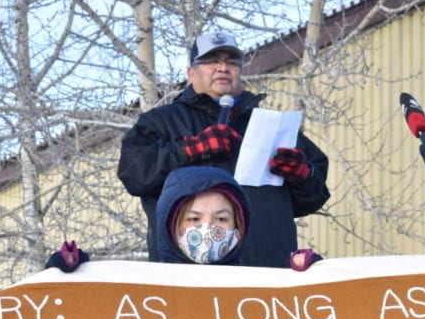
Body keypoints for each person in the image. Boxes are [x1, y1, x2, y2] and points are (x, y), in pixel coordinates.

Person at [117, 30, 330, 267]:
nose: (222, 67)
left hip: (268, 271)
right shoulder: (161, 122)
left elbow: (313, 196)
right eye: (211, 61)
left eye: (231, 61)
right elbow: (134, 174)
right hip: (189, 275)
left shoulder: (271, 126)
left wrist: (303, 176)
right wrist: (189, 150)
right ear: (191, 73)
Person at [156, 167, 249, 265]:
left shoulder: (255, 279)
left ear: (238, 225)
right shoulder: (149, 280)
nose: (208, 229)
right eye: (194, 219)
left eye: (221, 219)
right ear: (171, 225)